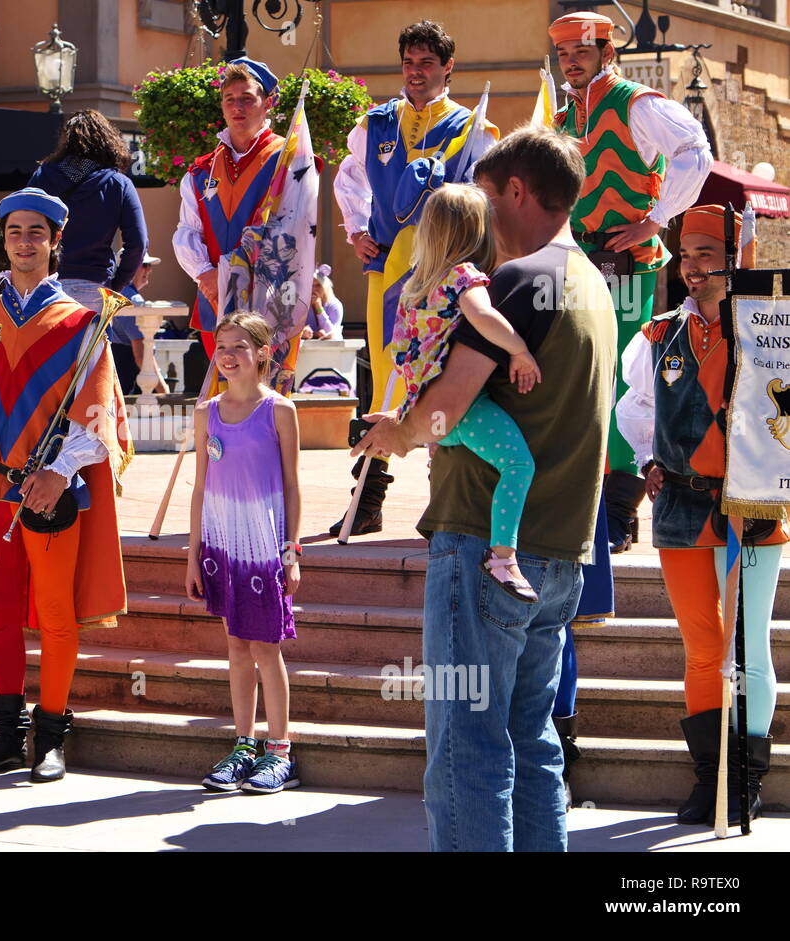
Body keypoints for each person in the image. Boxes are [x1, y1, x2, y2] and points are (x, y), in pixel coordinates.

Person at [353, 127, 617, 852]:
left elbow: (447, 407)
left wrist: (396, 434)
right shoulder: (591, 280)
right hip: (560, 549)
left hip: (487, 547)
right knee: (531, 744)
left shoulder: (518, 281)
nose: (479, 213)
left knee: (467, 750)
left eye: (488, 194)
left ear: (518, 192)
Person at [0, 187, 131, 783]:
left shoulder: (83, 323)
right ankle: (4, 737)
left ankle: (51, 739)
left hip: (51, 493)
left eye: (36, 233)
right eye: (16, 231)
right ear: (5, 239)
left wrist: (57, 470)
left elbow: (100, 415)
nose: (25, 241)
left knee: (54, 612)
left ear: (55, 241)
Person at [617, 205, 786, 825]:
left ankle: (745, 779)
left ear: (732, 258)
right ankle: (708, 775)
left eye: (705, 256)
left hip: (754, 502)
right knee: (701, 647)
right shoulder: (658, 333)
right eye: (686, 257)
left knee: (749, 646)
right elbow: (631, 408)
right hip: (683, 505)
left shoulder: (767, 328)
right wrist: (645, 461)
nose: (692, 268)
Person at [548, 11, 712, 552]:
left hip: (625, 262)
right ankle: (590, 500)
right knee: (580, 372)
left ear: (605, 53)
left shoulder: (635, 103)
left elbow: (695, 151)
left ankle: (620, 508)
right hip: (577, 263)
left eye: (582, 51)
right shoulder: (564, 115)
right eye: (565, 53)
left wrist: (656, 218)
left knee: (623, 375)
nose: (572, 61)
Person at [333, 20, 498, 537]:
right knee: (386, 377)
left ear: (448, 67)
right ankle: (366, 500)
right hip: (388, 272)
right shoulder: (375, 123)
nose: (416, 72)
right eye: (409, 62)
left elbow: (484, 202)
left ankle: (446, 502)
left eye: (427, 63)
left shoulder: (473, 130)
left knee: (440, 378)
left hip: (444, 274)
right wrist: (357, 229)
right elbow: (349, 179)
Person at [390, 183, 543, 600]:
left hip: (428, 413)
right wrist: (520, 349)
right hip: (464, 408)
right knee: (518, 466)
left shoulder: (416, 284)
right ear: (478, 232)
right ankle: (503, 557)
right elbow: (484, 316)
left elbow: (403, 348)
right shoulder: (464, 276)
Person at [186, 311, 302, 794]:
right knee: (235, 644)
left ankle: (280, 751)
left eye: (239, 346)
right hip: (222, 542)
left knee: (265, 646)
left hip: (264, 545)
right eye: (222, 346)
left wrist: (292, 550)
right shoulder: (204, 413)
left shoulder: (279, 411)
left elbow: (294, 487)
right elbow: (199, 487)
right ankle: (243, 743)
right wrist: (193, 555)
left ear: (263, 353)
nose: (228, 355)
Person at [173, 57, 286, 357]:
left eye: (247, 99)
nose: (237, 107)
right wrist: (205, 275)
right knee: (219, 393)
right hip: (215, 296)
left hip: (270, 299)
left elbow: (294, 229)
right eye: (230, 99)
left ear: (268, 102)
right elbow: (187, 230)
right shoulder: (201, 171)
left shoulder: (288, 159)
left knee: (266, 393)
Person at [28, 109, 147, 310]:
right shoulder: (119, 183)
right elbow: (138, 242)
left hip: (45, 283)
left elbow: (25, 225)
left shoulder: (42, 177)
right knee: (93, 343)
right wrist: (117, 284)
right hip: (96, 286)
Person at [111, 252, 169, 395]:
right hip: (131, 380)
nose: (149, 269)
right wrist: (164, 392)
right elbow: (142, 356)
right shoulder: (133, 299)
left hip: (121, 374)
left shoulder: (118, 293)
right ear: (128, 268)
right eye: (144, 265)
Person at [301, 265, 343, 340]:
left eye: (318, 285)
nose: (313, 289)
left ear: (325, 287)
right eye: (311, 285)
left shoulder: (334, 305)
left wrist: (318, 307)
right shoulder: (302, 305)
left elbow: (330, 332)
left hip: (333, 349)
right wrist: (304, 331)